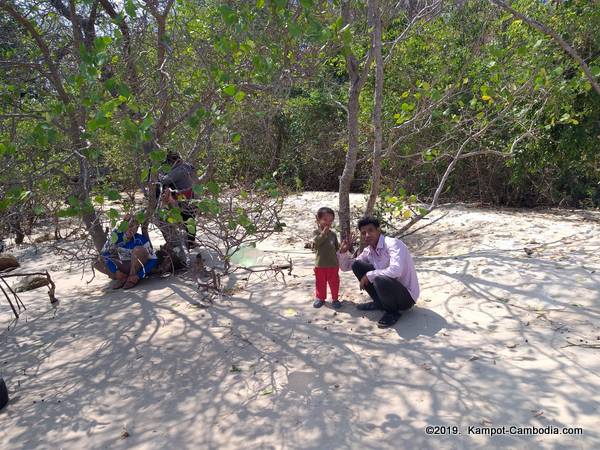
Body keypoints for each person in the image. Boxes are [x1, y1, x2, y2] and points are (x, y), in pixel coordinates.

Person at [337, 216, 419, 328]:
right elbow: (347, 267)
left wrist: (369, 275)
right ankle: (380, 303)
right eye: (363, 233)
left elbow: (396, 271)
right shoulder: (369, 251)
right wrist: (342, 253)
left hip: (406, 297)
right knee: (358, 265)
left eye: (370, 230)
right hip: (387, 289)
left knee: (379, 278)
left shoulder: (393, 244)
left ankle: (392, 312)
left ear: (378, 230)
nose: (367, 235)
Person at [94, 214, 158, 289]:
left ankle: (132, 278)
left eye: (136, 228)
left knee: (139, 250)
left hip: (136, 268)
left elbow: (154, 260)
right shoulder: (116, 236)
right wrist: (115, 270)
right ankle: (121, 278)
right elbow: (104, 254)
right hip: (123, 265)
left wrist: (139, 275)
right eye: (129, 226)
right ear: (123, 226)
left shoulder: (140, 239)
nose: (131, 230)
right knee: (96, 262)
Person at [159, 151, 199, 249]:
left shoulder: (180, 170)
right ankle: (190, 242)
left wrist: (159, 172)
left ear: (173, 161)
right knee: (190, 221)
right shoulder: (188, 166)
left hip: (186, 200)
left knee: (186, 220)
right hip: (193, 198)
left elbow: (164, 180)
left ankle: (187, 243)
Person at [312, 207, 341, 309]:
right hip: (320, 264)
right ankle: (320, 298)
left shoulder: (333, 234)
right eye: (325, 220)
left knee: (334, 282)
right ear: (318, 220)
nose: (328, 223)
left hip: (333, 264)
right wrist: (323, 233)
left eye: (330, 220)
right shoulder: (316, 232)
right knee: (320, 282)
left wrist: (344, 247)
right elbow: (316, 243)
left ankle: (335, 298)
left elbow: (337, 248)